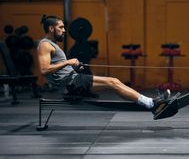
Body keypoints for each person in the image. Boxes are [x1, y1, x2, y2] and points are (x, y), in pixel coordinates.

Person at [37, 15, 172, 118]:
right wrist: (68, 62)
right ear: (51, 28)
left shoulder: (52, 44)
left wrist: (75, 67)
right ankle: (152, 104)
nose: (64, 30)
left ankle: (150, 102)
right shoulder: (45, 45)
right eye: (60, 27)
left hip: (74, 79)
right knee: (113, 82)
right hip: (70, 84)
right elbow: (44, 70)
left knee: (114, 82)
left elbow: (57, 69)